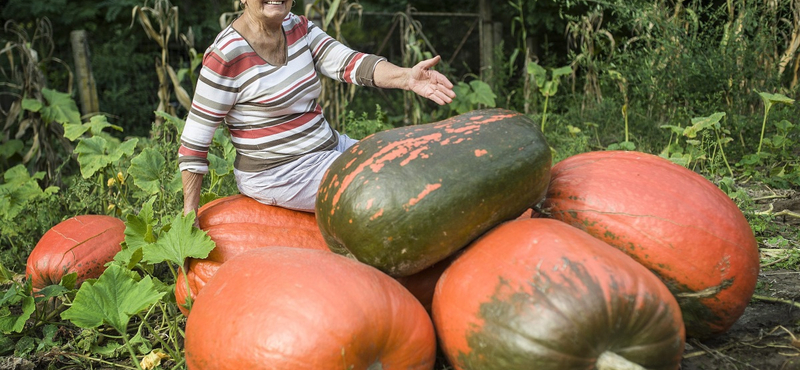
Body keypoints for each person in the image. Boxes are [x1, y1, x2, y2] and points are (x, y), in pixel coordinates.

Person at [178, 0, 456, 218]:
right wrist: (190, 215)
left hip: (329, 149)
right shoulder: (226, 55)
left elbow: (350, 63)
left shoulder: (298, 27)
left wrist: (407, 77)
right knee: (388, 183)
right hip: (279, 172)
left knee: (411, 158)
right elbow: (195, 140)